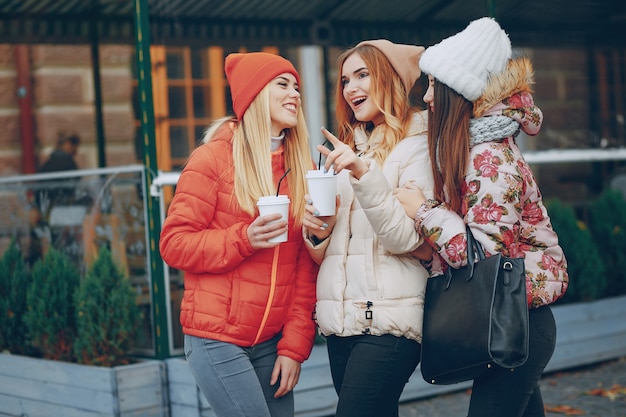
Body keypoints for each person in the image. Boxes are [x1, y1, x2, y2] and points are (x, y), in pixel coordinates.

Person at [395, 17, 569, 417]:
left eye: (436, 85)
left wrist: (423, 210)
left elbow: (482, 256)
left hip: (516, 320)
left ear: (460, 92)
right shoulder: (477, 150)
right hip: (511, 316)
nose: (427, 98)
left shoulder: (489, 158)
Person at [159, 52, 318, 417]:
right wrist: (244, 239)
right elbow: (174, 244)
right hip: (215, 337)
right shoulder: (212, 159)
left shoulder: (302, 170)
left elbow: (305, 270)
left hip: (271, 342)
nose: (295, 93)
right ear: (255, 94)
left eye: (296, 86)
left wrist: (294, 348)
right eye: (282, 84)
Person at [302, 40, 434, 417]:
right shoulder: (350, 148)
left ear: (391, 79)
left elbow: (405, 238)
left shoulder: (419, 146)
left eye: (363, 75)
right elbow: (335, 247)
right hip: (341, 322)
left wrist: (363, 174)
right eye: (345, 80)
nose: (351, 88)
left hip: (390, 320)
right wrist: (319, 232)